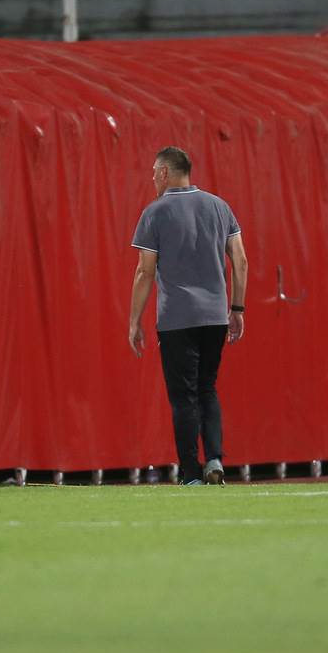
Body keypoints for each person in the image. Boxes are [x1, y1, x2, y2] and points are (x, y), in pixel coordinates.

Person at [128, 146, 248, 486]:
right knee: (207, 388)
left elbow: (144, 272)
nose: (152, 178)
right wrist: (237, 308)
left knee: (183, 397)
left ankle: (191, 472)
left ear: (166, 172)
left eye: (154, 172)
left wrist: (134, 320)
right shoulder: (219, 207)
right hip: (215, 316)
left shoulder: (154, 213)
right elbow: (240, 261)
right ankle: (215, 458)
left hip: (177, 319)